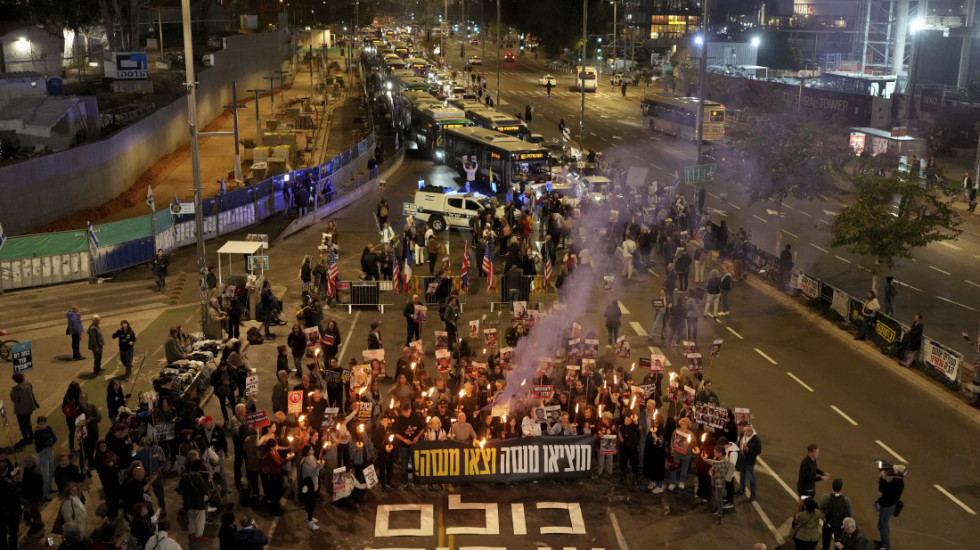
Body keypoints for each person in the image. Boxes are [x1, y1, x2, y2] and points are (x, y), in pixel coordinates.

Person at [875, 464, 905, 550]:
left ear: (899, 473)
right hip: (890, 505)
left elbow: (883, 489)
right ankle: (884, 542)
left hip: (887, 507)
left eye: (896, 470)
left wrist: (881, 477)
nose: (893, 471)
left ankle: (885, 546)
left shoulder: (896, 483)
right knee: (883, 524)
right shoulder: (898, 480)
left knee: (882, 525)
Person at [819, 478, 854, 550]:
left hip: (827, 525)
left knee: (825, 546)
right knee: (838, 547)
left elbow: (820, 507)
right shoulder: (846, 500)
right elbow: (850, 514)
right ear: (841, 488)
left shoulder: (826, 497)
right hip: (840, 527)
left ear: (832, 486)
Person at [10, 372, 39, 446]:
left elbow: (14, 400)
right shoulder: (29, 384)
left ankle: (25, 438)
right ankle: (31, 437)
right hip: (29, 407)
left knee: (22, 425)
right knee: (28, 422)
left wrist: (11, 394)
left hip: (21, 410)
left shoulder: (16, 389)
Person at [736, 424, 762, 501]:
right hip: (742, 459)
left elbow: (758, 451)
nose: (747, 432)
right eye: (745, 431)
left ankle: (753, 493)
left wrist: (749, 450)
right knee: (742, 475)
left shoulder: (756, 439)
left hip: (749, 461)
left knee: (751, 478)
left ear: (752, 430)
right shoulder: (742, 435)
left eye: (749, 431)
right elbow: (739, 443)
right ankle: (742, 489)